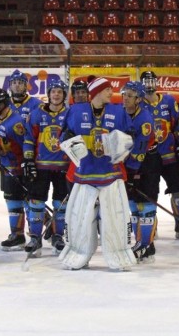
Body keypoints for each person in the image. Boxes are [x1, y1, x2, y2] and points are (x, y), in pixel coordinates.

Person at [58, 76, 136, 271]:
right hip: (84, 175)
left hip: (111, 175)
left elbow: (131, 137)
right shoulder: (76, 111)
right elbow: (63, 136)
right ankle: (77, 255)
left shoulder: (118, 111)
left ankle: (119, 256)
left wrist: (125, 144)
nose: (112, 92)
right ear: (96, 92)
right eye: (107, 89)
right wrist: (66, 138)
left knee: (116, 217)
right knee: (79, 217)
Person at [140, 70, 179, 239]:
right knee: (150, 192)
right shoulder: (138, 103)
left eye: (152, 81)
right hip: (149, 158)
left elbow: (176, 125)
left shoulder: (169, 101)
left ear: (157, 83)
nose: (149, 84)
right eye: (146, 81)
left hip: (170, 154)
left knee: (178, 190)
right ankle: (151, 226)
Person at [22, 80, 71, 256]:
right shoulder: (36, 114)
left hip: (63, 167)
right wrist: (28, 160)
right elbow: (29, 139)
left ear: (64, 95)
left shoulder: (70, 114)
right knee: (36, 202)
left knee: (60, 204)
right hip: (40, 166)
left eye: (59, 91)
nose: (56, 94)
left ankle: (58, 236)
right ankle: (35, 237)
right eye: (53, 91)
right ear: (48, 94)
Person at [0, 88, 30, 251]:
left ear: (2, 105)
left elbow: (25, 147)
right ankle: (17, 235)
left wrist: (6, 150)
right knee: (12, 200)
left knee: (29, 201)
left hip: (18, 169)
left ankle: (47, 231)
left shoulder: (16, 123)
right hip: (5, 168)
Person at [121, 81, 155, 262]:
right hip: (129, 163)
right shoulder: (121, 113)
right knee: (133, 204)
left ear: (139, 99)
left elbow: (141, 150)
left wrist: (133, 174)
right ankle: (141, 242)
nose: (125, 98)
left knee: (145, 204)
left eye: (129, 96)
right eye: (124, 95)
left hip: (147, 163)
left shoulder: (145, 119)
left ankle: (146, 243)